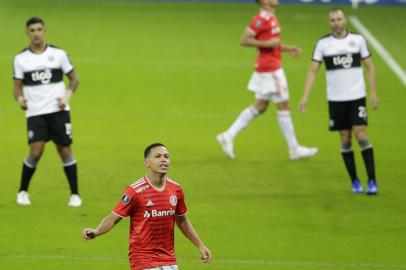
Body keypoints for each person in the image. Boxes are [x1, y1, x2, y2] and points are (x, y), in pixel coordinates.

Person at [82, 143, 212, 270]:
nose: (163, 160)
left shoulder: (175, 189)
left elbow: (182, 221)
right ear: (147, 162)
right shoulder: (135, 191)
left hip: (168, 258)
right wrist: (97, 231)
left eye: (166, 156)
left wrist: (200, 245)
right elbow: (113, 218)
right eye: (158, 156)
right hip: (142, 259)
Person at [216, 0, 318, 160]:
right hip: (271, 69)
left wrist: (286, 48)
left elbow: (273, 42)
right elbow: (245, 40)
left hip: (267, 67)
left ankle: (227, 136)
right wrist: (267, 44)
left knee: (261, 106)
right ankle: (294, 149)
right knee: (284, 106)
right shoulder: (261, 19)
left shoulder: (270, 17)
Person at [299, 8, 378, 195]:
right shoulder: (323, 44)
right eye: (333, 20)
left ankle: (372, 180)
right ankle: (355, 181)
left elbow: (370, 67)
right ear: (329, 23)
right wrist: (305, 96)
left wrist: (373, 93)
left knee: (361, 133)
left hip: (356, 95)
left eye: (339, 19)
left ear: (345, 20)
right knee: (345, 137)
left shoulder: (358, 41)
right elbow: (313, 70)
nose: (336, 22)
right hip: (336, 98)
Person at [13, 17, 81, 206]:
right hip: (35, 112)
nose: (36, 33)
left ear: (44, 31)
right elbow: (17, 87)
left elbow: (74, 79)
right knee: (36, 151)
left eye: (39, 29)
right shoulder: (20, 59)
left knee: (64, 149)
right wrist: (20, 99)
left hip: (58, 110)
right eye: (32, 30)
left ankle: (75, 195)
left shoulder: (58, 54)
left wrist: (66, 97)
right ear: (27, 33)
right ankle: (23, 192)